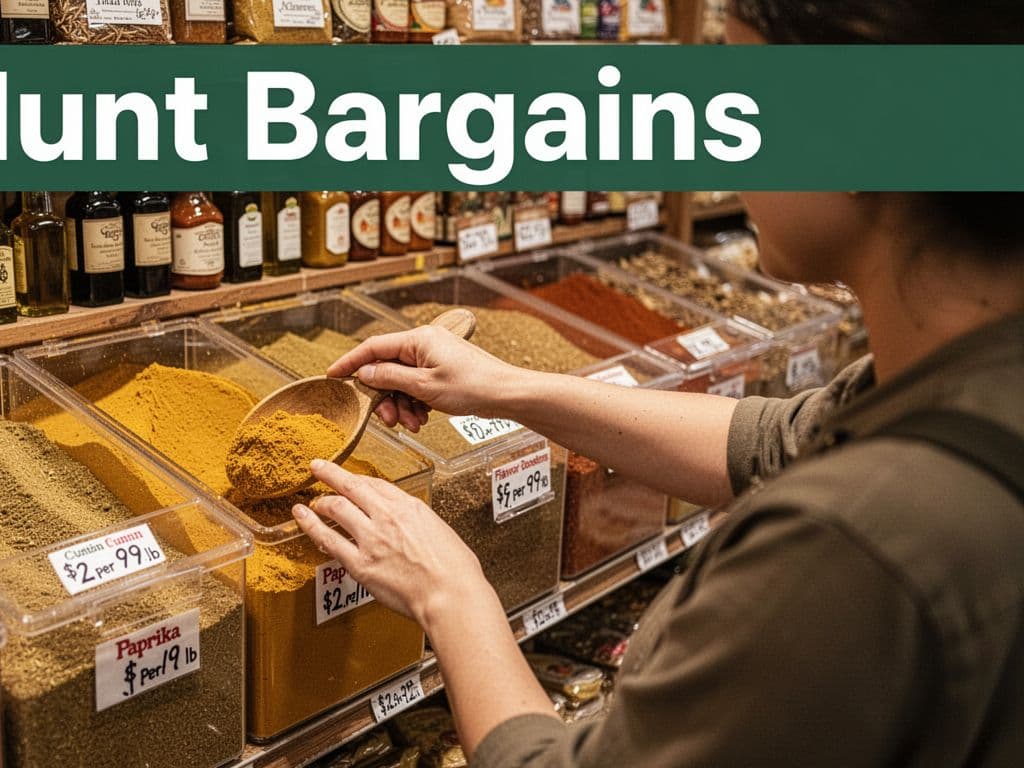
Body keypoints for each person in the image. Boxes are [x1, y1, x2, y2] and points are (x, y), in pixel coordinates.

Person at [288, 4, 1024, 765]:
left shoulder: (844, 547)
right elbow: (775, 440)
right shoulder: (971, 374)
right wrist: (508, 388)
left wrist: (448, 592)